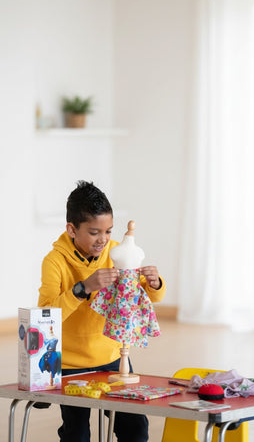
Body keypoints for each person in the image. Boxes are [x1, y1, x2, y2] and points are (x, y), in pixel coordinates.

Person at [38, 180, 166, 442]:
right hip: (71, 365)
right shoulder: (55, 261)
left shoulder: (117, 252)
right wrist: (82, 288)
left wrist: (155, 283)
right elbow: (45, 316)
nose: (103, 239)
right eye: (95, 232)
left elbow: (144, 293)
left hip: (112, 358)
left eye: (108, 231)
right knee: (77, 433)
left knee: (136, 427)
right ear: (72, 229)